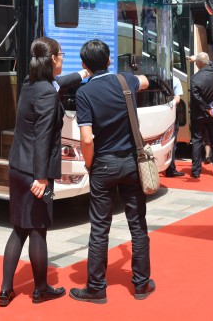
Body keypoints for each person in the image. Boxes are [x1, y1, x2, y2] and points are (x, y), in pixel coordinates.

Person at [70, 39, 155, 303]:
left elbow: (86, 139)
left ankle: (96, 288)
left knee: (99, 228)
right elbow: (145, 81)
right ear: (109, 60)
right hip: (131, 162)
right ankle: (141, 284)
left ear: (84, 65)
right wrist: (134, 78)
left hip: (103, 164)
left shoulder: (84, 93)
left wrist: (89, 164)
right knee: (138, 225)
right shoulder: (125, 81)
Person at [0, 37, 70, 307]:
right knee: (38, 230)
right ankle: (40, 290)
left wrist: (84, 74)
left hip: (17, 166)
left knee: (19, 228)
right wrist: (41, 178)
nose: (63, 59)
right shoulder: (48, 93)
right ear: (53, 59)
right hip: (35, 173)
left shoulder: (30, 84)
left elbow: (61, 81)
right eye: (62, 55)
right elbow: (42, 138)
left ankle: (5, 290)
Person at [188, 52, 213, 178]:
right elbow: (210, 63)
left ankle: (196, 172)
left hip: (199, 115)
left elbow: (196, 98)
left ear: (198, 64)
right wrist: (211, 110)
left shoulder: (194, 78)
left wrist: (207, 108)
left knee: (196, 141)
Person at [164, 75, 185, 177]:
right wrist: (168, 107)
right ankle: (170, 169)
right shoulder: (175, 80)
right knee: (171, 142)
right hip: (170, 115)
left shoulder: (154, 78)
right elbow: (177, 99)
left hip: (156, 114)